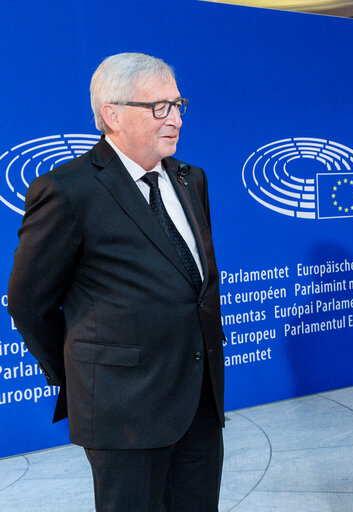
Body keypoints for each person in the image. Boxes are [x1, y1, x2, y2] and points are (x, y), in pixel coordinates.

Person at [8, 52, 225, 512]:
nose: (177, 118)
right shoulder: (68, 190)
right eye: (160, 107)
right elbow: (29, 303)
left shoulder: (191, 179)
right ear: (112, 115)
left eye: (179, 104)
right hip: (122, 407)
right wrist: (86, 373)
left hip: (200, 401)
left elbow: (194, 282)